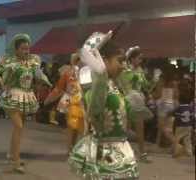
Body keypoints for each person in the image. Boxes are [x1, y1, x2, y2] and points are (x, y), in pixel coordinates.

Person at [69, 31, 139, 179]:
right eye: (120, 61)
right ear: (104, 60)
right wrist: (100, 79)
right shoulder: (93, 84)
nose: (124, 66)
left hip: (121, 149)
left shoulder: (114, 84)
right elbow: (94, 112)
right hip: (103, 152)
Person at [0, 34, 52, 173]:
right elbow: (3, 79)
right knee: (18, 126)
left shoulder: (32, 63)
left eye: (27, 49)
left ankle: (11, 154)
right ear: (16, 50)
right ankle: (16, 162)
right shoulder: (10, 63)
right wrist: (6, 77)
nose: (26, 51)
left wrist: (46, 81)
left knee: (19, 128)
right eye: (23, 49)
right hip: (13, 96)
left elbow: (39, 75)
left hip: (26, 96)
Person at [117, 46, 154, 162]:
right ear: (131, 58)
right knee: (123, 129)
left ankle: (142, 153)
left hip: (138, 102)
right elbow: (121, 84)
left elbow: (146, 87)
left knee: (140, 128)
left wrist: (154, 81)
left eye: (141, 59)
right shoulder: (123, 69)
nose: (140, 61)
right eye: (139, 58)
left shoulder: (140, 70)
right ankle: (121, 154)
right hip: (125, 100)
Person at [45, 53, 85, 154]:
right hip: (73, 100)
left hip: (75, 100)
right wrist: (49, 99)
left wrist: (49, 99)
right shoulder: (70, 73)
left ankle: (72, 148)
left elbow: (59, 88)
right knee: (73, 126)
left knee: (74, 126)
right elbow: (59, 88)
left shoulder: (70, 73)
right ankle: (71, 148)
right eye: (79, 60)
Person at [154, 65, 179, 150]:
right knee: (169, 128)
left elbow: (158, 94)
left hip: (162, 105)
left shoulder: (161, 81)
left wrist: (152, 96)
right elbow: (176, 96)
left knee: (161, 127)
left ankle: (176, 144)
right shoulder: (174, 83)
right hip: (171, 105)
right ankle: (161, 145)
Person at [172, 80, 194, 157]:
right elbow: (192, 117)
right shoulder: (191, 108)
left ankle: (176, 152)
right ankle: (189, 152)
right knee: (188, 139)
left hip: (180, 126)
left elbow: (177, 117)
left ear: (179, 100)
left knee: (177, 139)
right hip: (188, 126)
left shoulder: (179, 108)